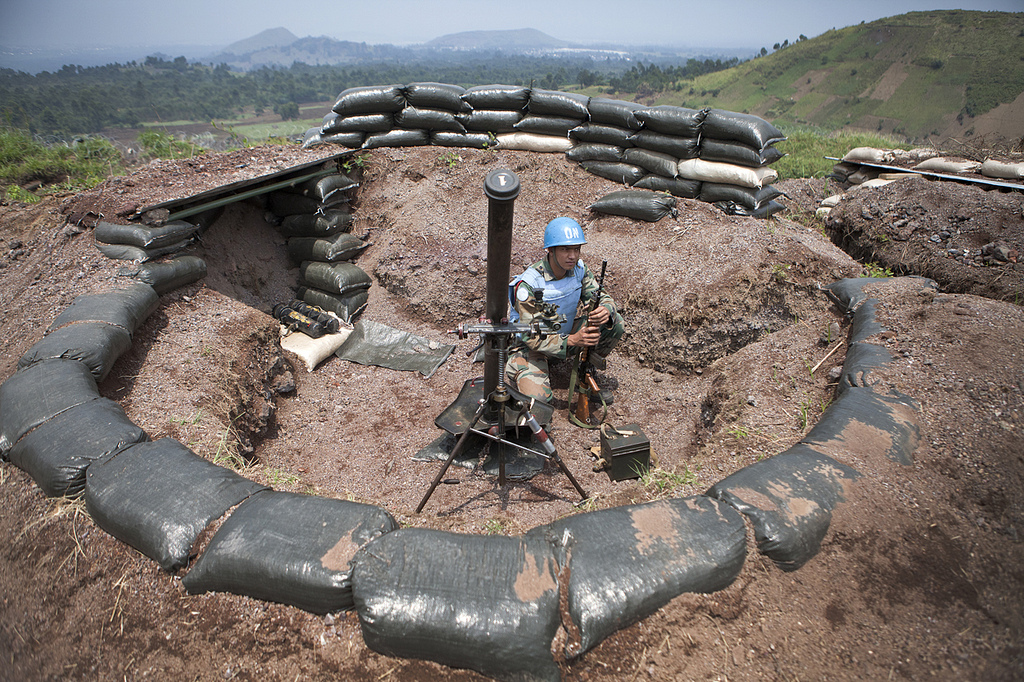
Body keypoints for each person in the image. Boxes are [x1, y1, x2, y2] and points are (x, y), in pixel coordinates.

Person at [505, 217, 624, 403]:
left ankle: (585, 372)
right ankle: (527, 373)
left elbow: (603, 297)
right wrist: (573, 340)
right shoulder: (528, 284)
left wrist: (606, 309)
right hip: (530, 348)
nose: (572, 256)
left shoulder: (579, 270)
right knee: (538, 402)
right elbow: (531, 337)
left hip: (565, 339)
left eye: (576, 249)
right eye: (565, 249)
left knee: (614, 323)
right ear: (550, 250)